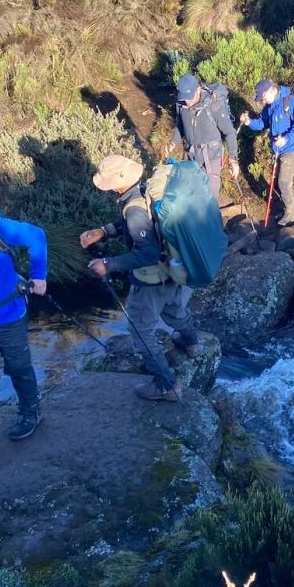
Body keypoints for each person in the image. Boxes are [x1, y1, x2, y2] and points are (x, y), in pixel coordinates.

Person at [80, 155, 199, 402]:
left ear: (115, 183)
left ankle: (167, 385)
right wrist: (103, 232)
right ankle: (192, 344)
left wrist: (108, 264)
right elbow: (139, 224)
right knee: (176, 312)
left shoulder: (133, 206)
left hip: (151, 282)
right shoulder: (147, 190)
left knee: (141, 331)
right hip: (176, 270)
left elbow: (148, 251)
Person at [0, 207, 47, 440]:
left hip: (7, 316)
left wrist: (39, 276)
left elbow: (36, 235)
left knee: (19, 367)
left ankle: (30, 412)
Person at [240, 79, 294, 227]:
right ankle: (285, 208)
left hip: (291, 148)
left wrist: (286, 139)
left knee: (284, 182)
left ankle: (291, 214)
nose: (262, 101)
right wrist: (249, 122)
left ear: (270, 90)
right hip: (277, 150)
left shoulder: (290, 102)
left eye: (263, 98)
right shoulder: (269, 107)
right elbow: (262, 124)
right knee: (279, 182)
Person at [167, 73, 239, 202]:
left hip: (211, 155)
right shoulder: (181, 104)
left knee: (211, 196)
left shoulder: (213, 105)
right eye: (184, 98)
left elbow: (230, 132)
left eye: (190, 97)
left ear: (198, 90)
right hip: (191, 154)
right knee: (193, 191)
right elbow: (180, 125)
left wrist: (233, 159)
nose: (187, 101)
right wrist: (173, 142)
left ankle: (212, 219)